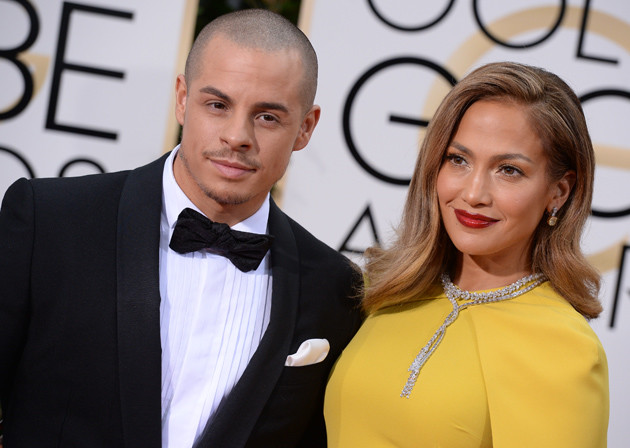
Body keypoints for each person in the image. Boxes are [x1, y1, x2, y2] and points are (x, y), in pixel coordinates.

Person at [0, 9, 362, 447]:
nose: (236, 136)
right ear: (182, 98)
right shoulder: (50, 222)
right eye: (218, 105)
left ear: (305, 127)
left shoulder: (334, 289)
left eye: (267, 116)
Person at [324, 62, 609, 447]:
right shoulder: (387, 290)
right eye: (458, 160)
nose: (474, 193)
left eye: (508, 170)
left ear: (558, 191)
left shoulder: (564, 347)